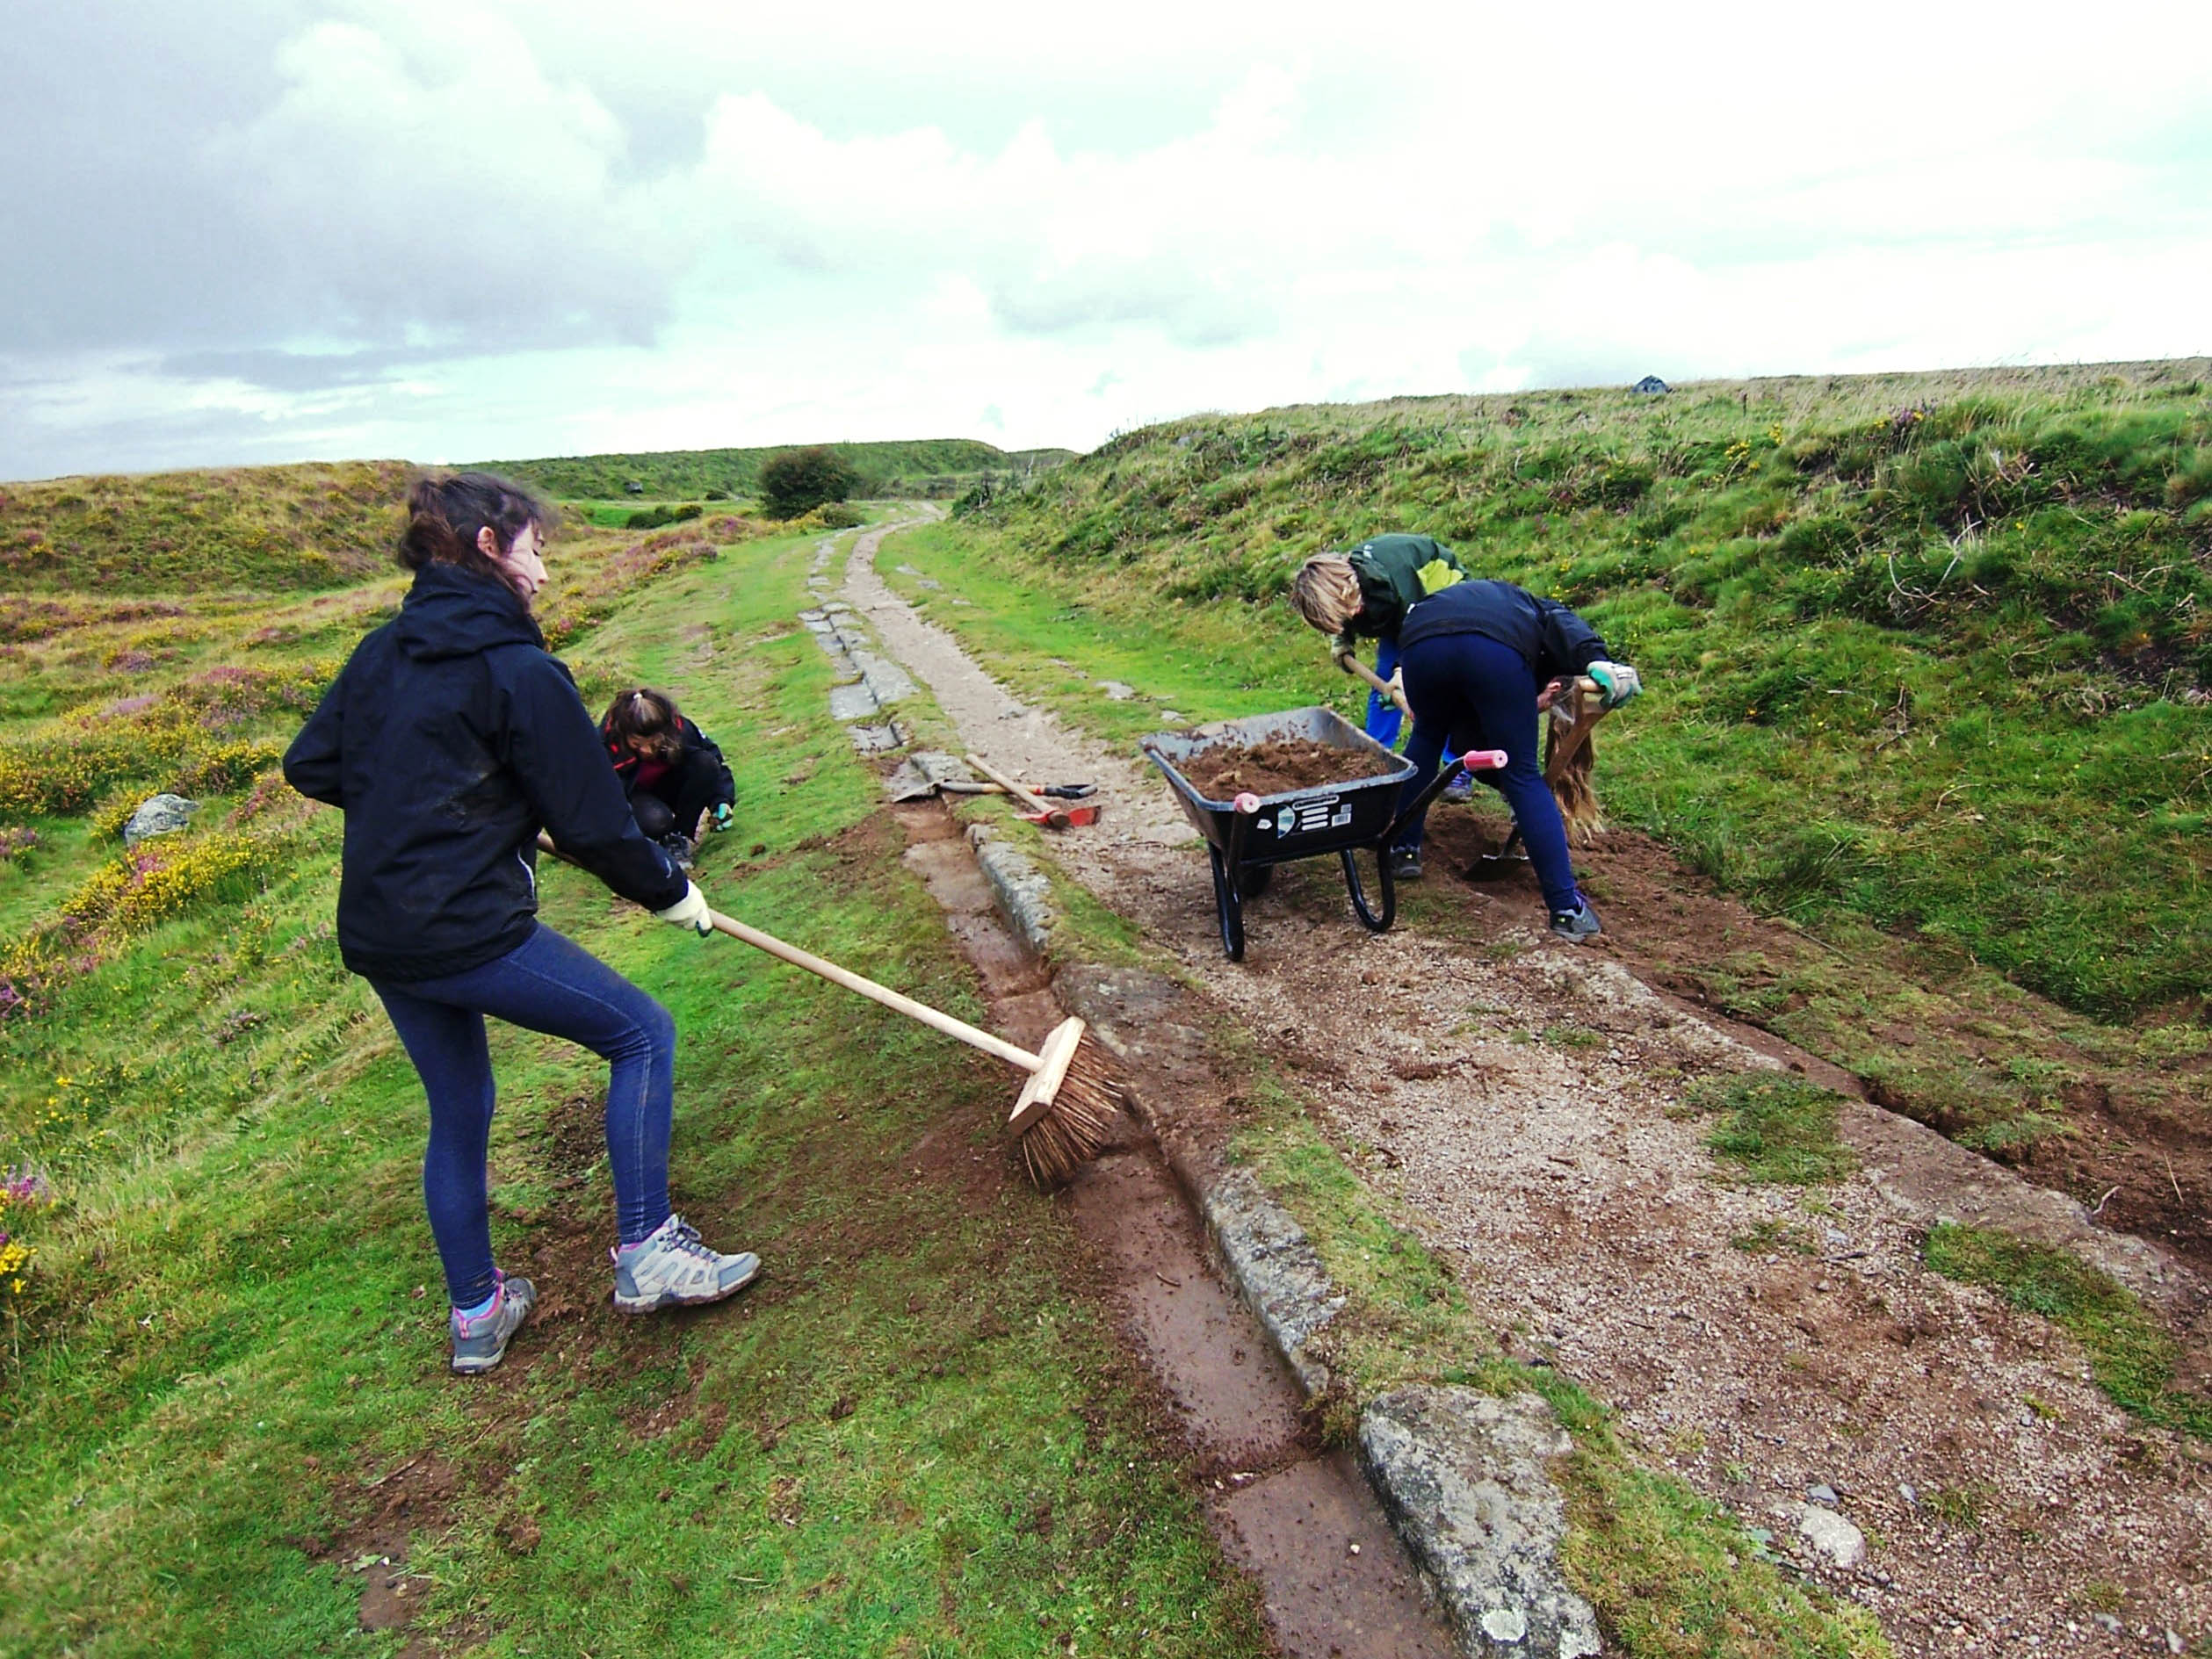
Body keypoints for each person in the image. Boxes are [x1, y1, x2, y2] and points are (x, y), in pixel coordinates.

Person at [283, 472, 762, 1376]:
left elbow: (313, 764)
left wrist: (435, 797)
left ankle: (478, 1312)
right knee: (643, 1033)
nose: (543, 569)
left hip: (383, 931)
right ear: (490, 548)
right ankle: (647, 1250)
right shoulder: (520, 670)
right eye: (534, 547)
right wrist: (669, 889)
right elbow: (592, 823)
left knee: (458, 1108)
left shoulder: (382, 652)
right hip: (466, 926)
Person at [1383, 576, 1643, 941]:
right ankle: (1566, 908)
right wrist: (1598, 660)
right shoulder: (1540, 608)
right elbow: (1565, 624)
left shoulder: (1477, 599)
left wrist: (1399, 671)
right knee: (1522, 773)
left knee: (1426, 738)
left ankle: (1402, 850)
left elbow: (1467, 734)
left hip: (1421, 644)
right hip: (1490, 652)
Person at [1290, 534, 1473, 798]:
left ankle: (1457, 771)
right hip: (1399, 615)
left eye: (1348, 610)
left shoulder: (1395, 579)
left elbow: (1417, 633)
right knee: (1385, 689)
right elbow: (1341, 615)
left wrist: (1402, 672)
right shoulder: (1344, 588)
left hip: (1448, 602)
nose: (1352, 616)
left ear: (1350, 589)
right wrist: (1342, 641)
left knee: (1442, 686)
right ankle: (1375, 758)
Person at [599, 689, 736, 868]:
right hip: (636, 797)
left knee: (705, 763)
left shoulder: (681, 729)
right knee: (657, 821)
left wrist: (721, 800)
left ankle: (679, 836)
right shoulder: (604, 745)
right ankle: (653, 840)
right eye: (637, 744)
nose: (646, 750)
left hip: (672, 785)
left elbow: (713, 758)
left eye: (654, 743)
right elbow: (597, 792)